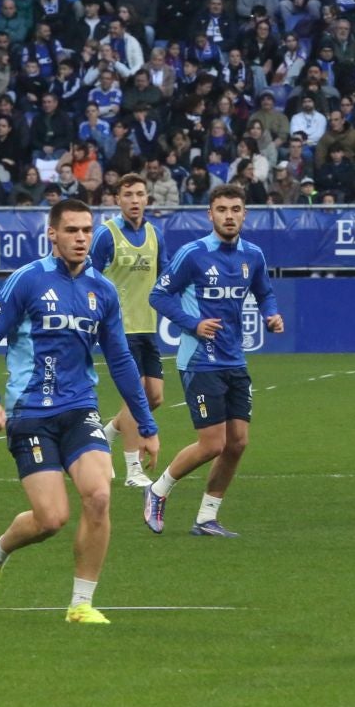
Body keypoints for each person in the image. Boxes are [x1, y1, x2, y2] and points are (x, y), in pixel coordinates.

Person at [0, 198, 159, 623]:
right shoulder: (27, 281)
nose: (81, 238)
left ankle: (81, 604)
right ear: (52, 234)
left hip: (78, 408)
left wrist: (146, 422)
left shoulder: (102, 291)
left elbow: (121, 360)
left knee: (100, 495)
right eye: (72, 230)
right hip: (29, 412)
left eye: (87, 230)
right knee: (51, 519)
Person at [143, 184, 285, 536]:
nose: (229, 216)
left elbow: (264, 292)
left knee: (237, 443)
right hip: (199, 361)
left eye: (236, 209)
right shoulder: (193, 254)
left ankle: (207, 518)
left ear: (244, 214)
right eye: (222, 209)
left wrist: (272, 314)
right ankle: (158, 489)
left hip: (234, 360)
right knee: (213, 444)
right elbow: (158, 295)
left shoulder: (253, 255)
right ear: (210, 214)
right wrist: (193, 324)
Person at [92, 172, 165, 487]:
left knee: (155, 397)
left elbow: (165, 276)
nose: (134, 200)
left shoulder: (154, 234)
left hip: (147, 326)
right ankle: (133, 470)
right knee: (135, 396)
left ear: (148, 198)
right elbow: (88, 277)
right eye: (128, 195)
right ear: (117, 199)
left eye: (139, 194)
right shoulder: (106, 235)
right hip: (119, 330)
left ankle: (105, 435)